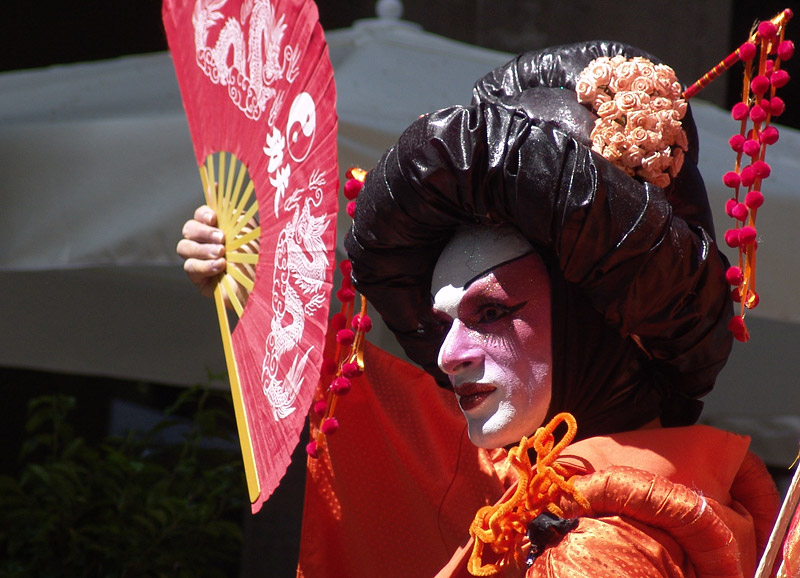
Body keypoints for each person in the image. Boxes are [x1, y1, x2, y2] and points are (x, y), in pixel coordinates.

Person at [179, 41, 781, 577]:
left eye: (491, 312)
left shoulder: (599, 553)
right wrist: (261, 283)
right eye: (444, 323)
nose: (448, 356)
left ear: (595, 314)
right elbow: (411, 442)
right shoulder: (555, 494)